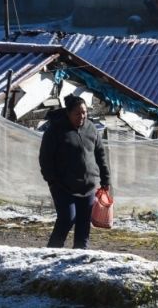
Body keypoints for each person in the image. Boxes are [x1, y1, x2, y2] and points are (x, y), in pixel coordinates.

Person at [38, 95, 111, 249]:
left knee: (84, 225)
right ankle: (51, 252)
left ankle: (80, 257)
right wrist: (51, 180)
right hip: (63, 187)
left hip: (88, 187)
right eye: (77, 114)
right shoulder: (55, 131)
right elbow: (45, 158)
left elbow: (100, 154)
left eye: (84, 112)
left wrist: (105, 179)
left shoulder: (91, 128)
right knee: (67, 218)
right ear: (68, 113)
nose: (82, 116)